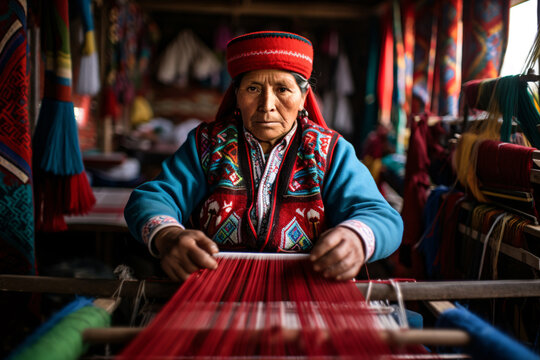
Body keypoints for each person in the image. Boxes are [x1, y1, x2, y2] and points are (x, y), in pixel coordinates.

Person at [124, 31, 403, 282]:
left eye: (282, 89)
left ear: (304, 97)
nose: (267, 106)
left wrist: (356, 238)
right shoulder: (206, 145)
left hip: (305, 290)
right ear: (237, 95)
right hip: (212, 290)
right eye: (253, 89)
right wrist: (169, 236)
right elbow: (152, 198)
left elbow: (383, 217)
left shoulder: (331, 151)